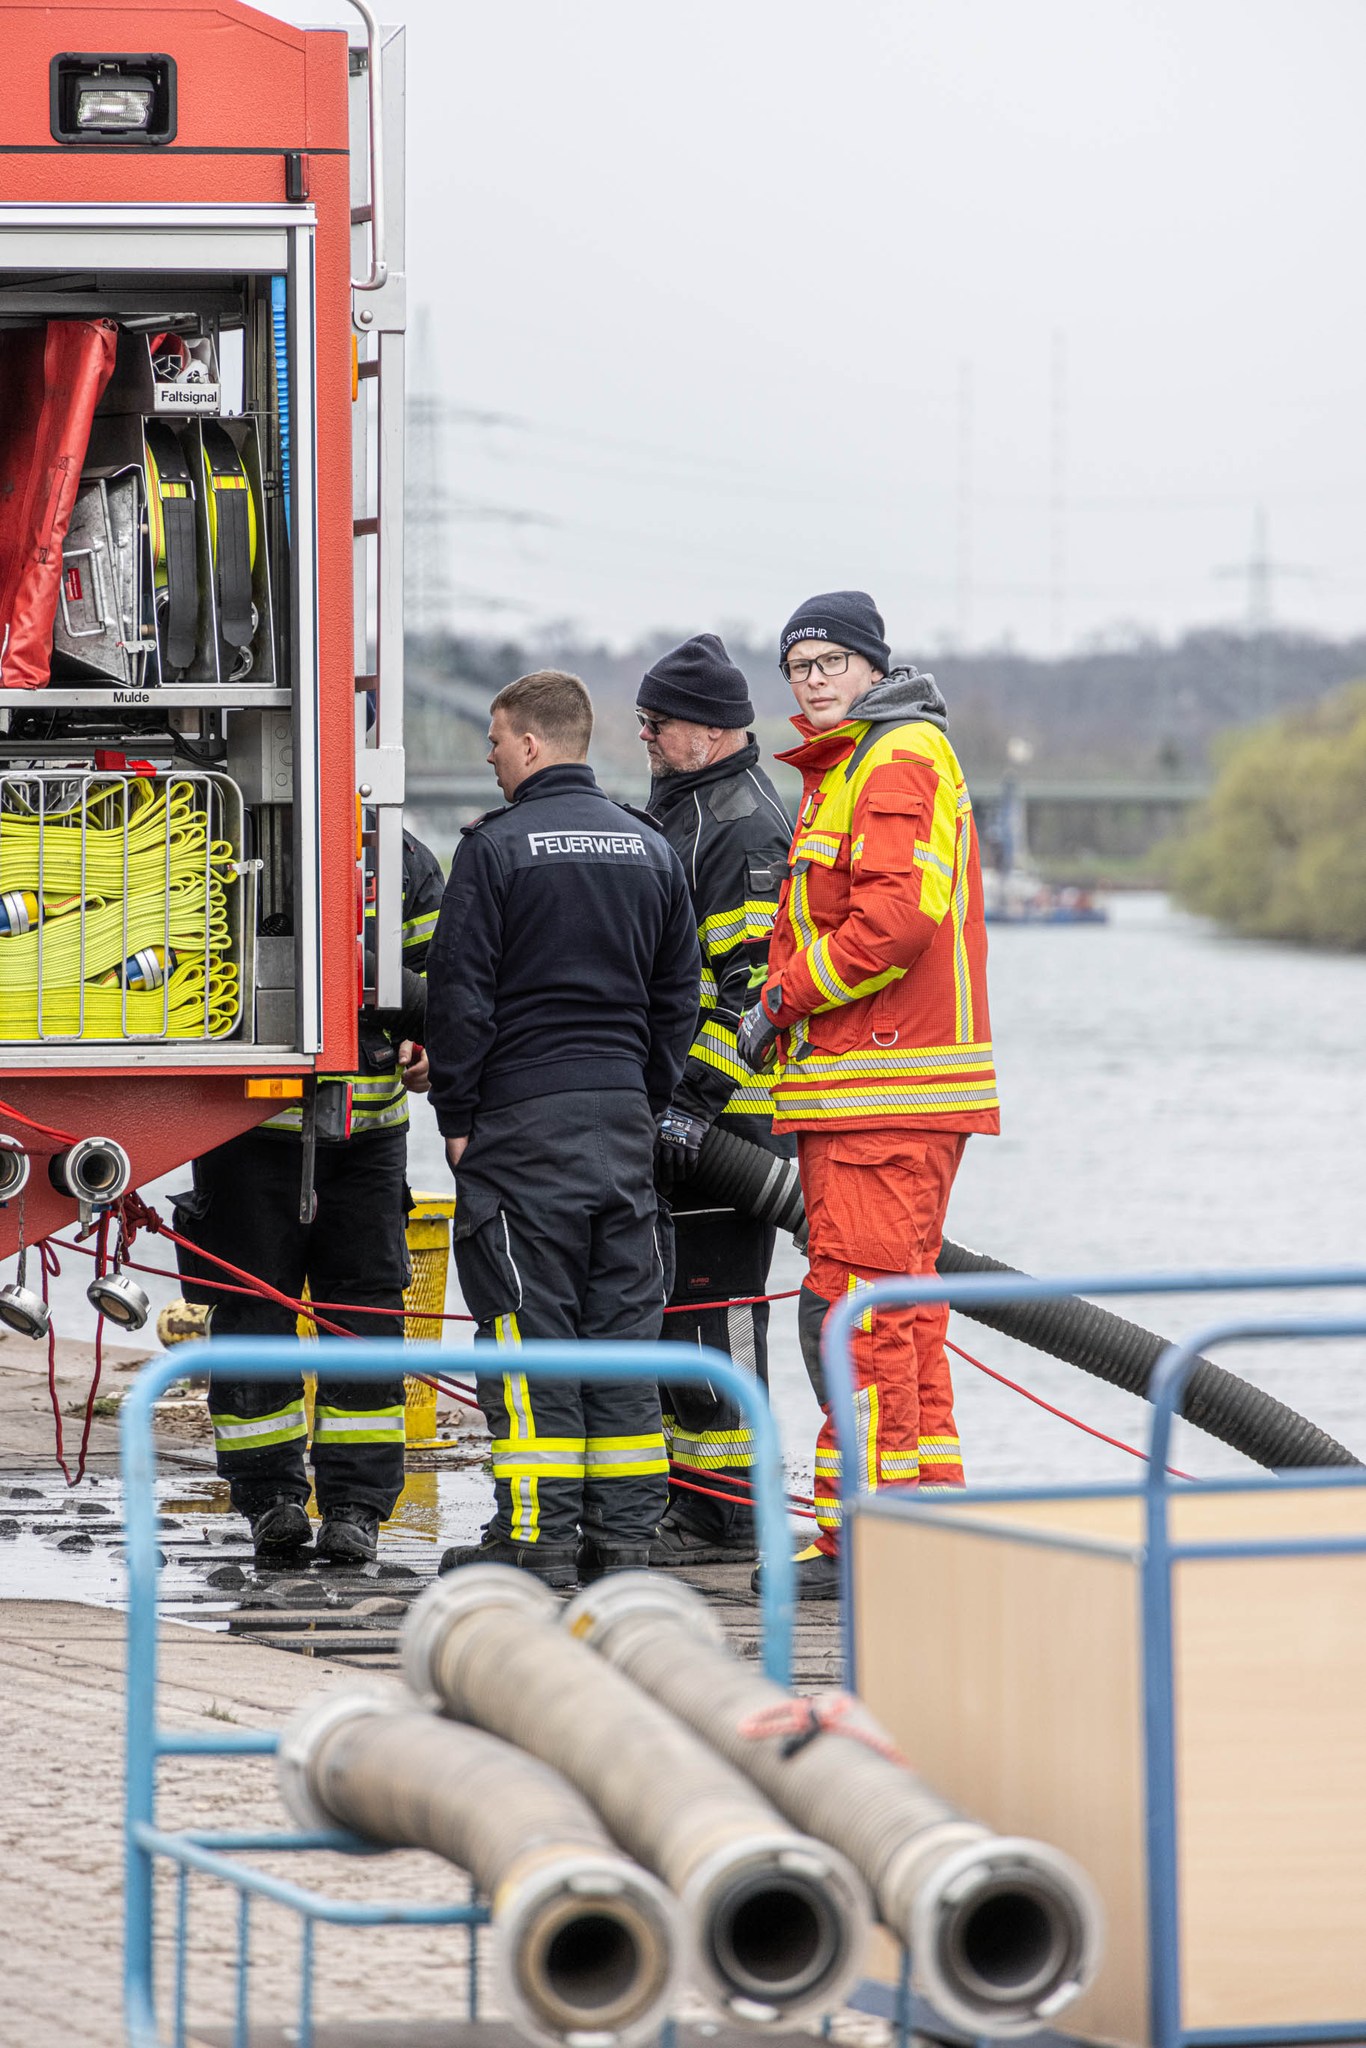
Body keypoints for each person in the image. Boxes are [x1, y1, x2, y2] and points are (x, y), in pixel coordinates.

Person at [738, 592, 998, 1600]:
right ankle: (922, 1524)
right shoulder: (853, 762)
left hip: (883, 1092)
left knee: (866, 1315)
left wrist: (780, 1001)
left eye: (828, 661)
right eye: (797, 664)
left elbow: (894, 922)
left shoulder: (894, 759)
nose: (810, 679)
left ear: (871, 666)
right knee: (902, 1314)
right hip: (870, 1093)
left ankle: (869, 1540)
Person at [424, 669, 700, 1588]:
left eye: (496, 742)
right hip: (623, 1126)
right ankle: (622, 1543)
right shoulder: (650, 848)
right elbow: (678, 1001)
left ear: (531, 745)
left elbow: (461, 1001)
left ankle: (538, 1541)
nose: (490, 756)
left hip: (519, 1131)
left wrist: (459, 1117)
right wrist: (640, 1094)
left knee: (528, 1334)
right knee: (622, 1336)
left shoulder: (494, 851)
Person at [174, 826, 445, 1564]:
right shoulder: (232, 840)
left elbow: (442, 987)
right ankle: (270, 1502)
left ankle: (356, 1510)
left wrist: (428, 1052)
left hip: (366, 1138)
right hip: (247, 1132)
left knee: (365, 1322)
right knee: (252, 1319)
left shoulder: (405, 861)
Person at [634, 633, 794, 1565]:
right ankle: (698, 1498)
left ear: (708, 730)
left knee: (718, 1311)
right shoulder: (688, 809)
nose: (646, 735)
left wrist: (684, 1096)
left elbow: (752, 996)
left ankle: (729, 1510)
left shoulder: (740, 828)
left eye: (658, 723)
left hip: (724, 1125)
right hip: (681, 1121)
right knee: (674, 1308)